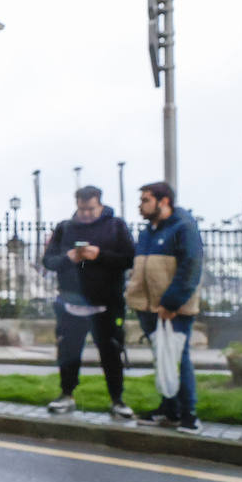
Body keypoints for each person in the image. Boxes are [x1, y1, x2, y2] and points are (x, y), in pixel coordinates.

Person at [42, 186, 136, 418]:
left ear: (100, 205)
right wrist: (69, 258)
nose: (85, 214)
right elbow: (48, 261)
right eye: (81, 209)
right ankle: (66, 395)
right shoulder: (65, 228)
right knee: (68, 352)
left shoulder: (116, 226)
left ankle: (117, 400)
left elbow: (130, 258)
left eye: (90, 209)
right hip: (70, 303)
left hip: (106, 304)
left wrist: (100, 255)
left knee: (111, 354)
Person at [126, 181, 204, 434]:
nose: (140, 205)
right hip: (148, 307)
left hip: (173, 308)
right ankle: (169, 409)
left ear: (164, 201)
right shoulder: (148, 231)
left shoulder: (184, 227)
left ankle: (189, 415)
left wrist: (171, 303)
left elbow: (190, 267)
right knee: (162, 359)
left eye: (145, 200)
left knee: (177, 359)